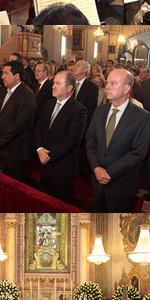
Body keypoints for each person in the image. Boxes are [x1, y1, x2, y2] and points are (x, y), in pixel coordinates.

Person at [86, 68, 150, 210]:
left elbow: (137, 153)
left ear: (127, 88)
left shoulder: (141, 116)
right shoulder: (101, 110)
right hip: (97, 181)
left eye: (113, 83)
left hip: (122, 184)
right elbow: (90, 140)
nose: (107, 87)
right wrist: (96, 167)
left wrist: (109, 172)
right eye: (107, 83)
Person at [34, 70, 87, 204]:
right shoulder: (48, 104)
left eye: (58, 83)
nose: (53, 86)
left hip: (62, 168)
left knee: (60, 207)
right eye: (53, 83)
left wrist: (48, 155)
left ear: (69, 88)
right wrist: (40, 149)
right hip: (43, 164)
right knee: (44, 205)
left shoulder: (79, 110)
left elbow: (72, 141)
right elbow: (38, 129)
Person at [0, 60, 38, 183]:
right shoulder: (3, 91)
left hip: (16, 151)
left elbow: (20, 124)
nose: (2, 76)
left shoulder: (26, 95)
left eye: (6, 73)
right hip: (1, 147)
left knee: (15, 185)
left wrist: (0, 140)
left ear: (16, 76)